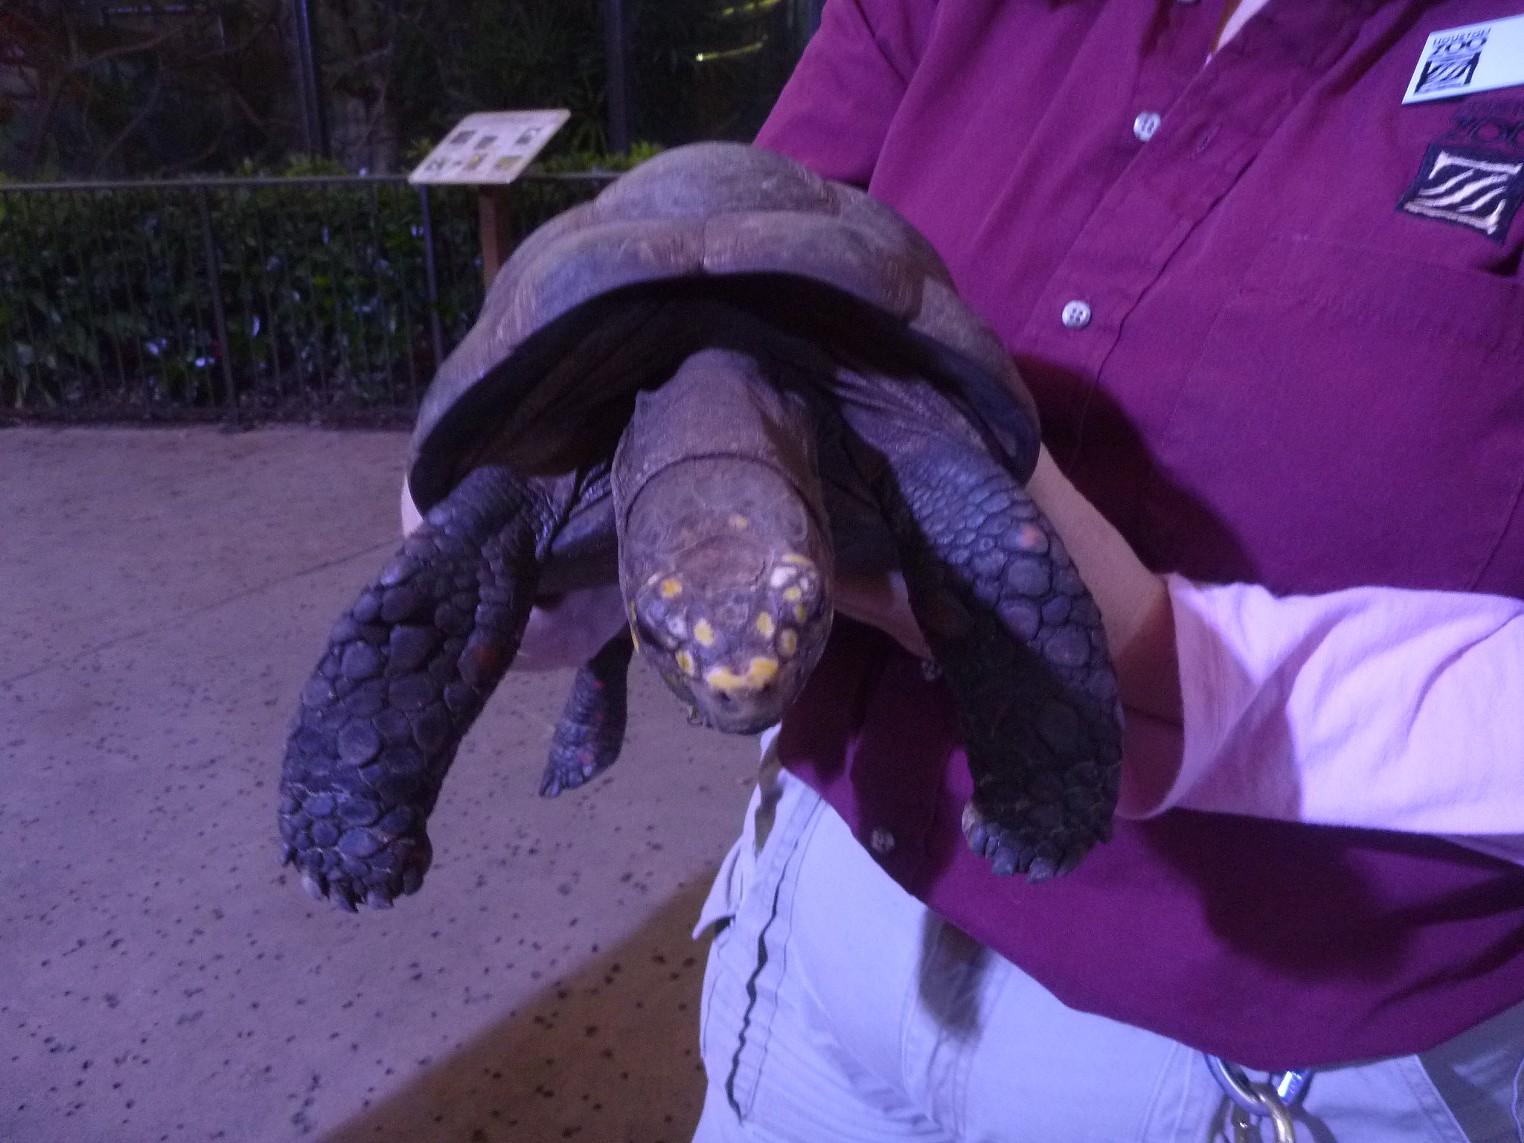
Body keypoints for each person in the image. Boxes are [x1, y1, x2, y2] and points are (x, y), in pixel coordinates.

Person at [428, 0, 1524, 1136]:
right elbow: (716, 267)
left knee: (1004, 568)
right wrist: (515, 535)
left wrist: (1144, 658)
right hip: (838, 891)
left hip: (1258, 1030)